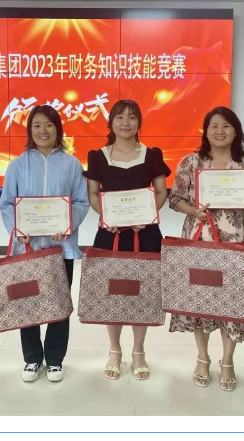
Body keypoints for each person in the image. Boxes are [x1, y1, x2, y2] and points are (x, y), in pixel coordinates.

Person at [168, 106, 244, 391]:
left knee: (233, 298)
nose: (220, 131)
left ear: (236, 131)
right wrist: (194, 211)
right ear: (206, 131)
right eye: (214, 126)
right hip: (200, 238)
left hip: (236, 242)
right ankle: (202, 357)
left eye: (226, 126)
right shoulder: (191, 162)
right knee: (201, 296)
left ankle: (228, 360)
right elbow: (175, 199)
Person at [0, 105, 89, 383]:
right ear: (30, 130)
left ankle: (54, 359)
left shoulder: (72, 165)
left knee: (59, 304)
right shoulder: (17, 165)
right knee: (27, 303)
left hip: (61, 248)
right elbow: (6, 204)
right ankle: (32, 358)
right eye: (37, 125)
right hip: (27, 248)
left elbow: (81, 202)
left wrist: (67, 224)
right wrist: (18, 230)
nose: (43, 130)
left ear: (58, 129)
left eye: (49, 125)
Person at [84, 99, 171, 381]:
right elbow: (93, 194)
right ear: (110, 122)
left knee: (142, 291)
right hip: (111, 233)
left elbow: (161, 192)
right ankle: (114, 350)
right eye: (120, 117)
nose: (125, 123)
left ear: (139, 122)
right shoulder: (98, 156)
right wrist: (107, 217)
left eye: (132, 117)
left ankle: (138, 351)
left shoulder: (152, 154)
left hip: (145, 233)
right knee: (112, 290)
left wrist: (147, 216)